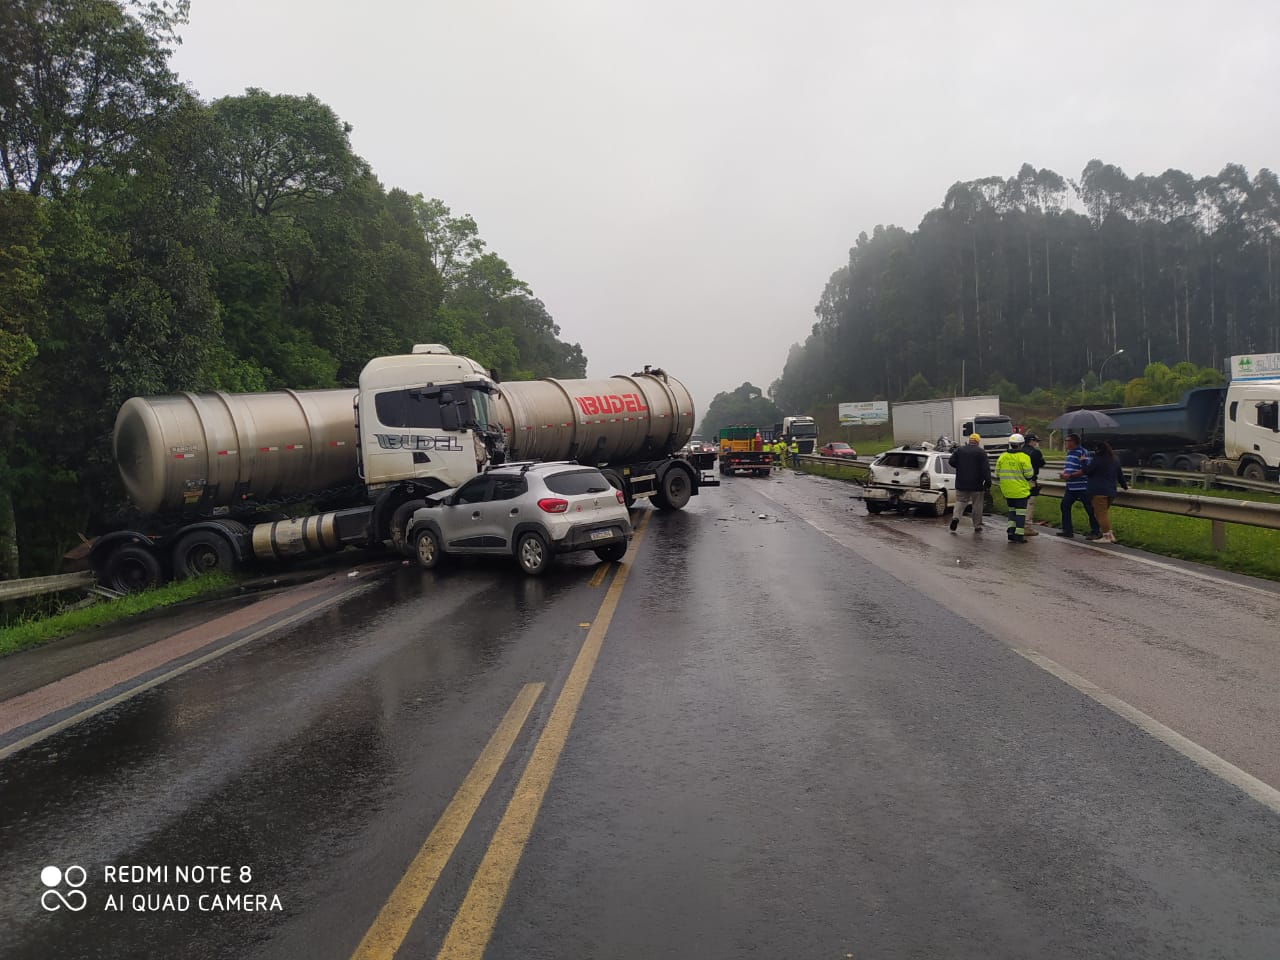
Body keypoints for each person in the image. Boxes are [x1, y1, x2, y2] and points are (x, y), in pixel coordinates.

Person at [1084, 441, 1129, 542]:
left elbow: (1087, 471)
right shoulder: (1115, 459)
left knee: (1100, 514)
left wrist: (1083, 461)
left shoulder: (1097, 459)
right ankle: (1109, 534)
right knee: (1102, 513)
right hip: (1111, 491)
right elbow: (1120, 475)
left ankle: (1106, 536)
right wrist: (1125, 486)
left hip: (1098, 491)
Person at [995, 433, 1035, 543]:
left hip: (1007, 491)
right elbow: (1029, 475)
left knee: (1012, 512)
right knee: (1021, 514)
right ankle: (1019, 535)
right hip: (1020, 491)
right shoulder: (1024, 457)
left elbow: (997, 473)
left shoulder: (1003, 456)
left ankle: (1010, 532)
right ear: (1021, 445)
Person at [948, 432, 991, 534]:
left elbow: (951, 461)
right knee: (977, 505)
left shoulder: (960, 450)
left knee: (960, 501)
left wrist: (960, 467)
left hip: (961, 482)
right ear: (977, 441)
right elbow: (985, 469)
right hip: (976, 484)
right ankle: (977, 526)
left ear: (969, 440)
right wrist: (988, 482)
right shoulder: (981, 452)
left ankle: (955, 518)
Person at [1058, 433, 1099, 539]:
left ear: (1074, 442)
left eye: (1068, 441)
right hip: (1070, 486)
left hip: (1082, 486)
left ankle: (1096, 531)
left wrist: (1070, 475)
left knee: (1090, 509)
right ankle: (1067, 530)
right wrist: (1064, 474)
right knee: (1064, 506)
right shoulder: (1069, 453)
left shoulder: (1083, 452)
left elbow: (1086, 470)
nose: (1066, 443)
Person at [1022, 433, 1045, 535]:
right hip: (1030, 481)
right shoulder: (1035, 453)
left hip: (1018, 481)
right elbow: (1042, 463)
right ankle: (1026, 527)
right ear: (1031, 441)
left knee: (1018, 504)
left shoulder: (1019, 451)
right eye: (1035, 441)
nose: (1036, 443)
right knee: (1029, 503)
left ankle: (1016, 525)